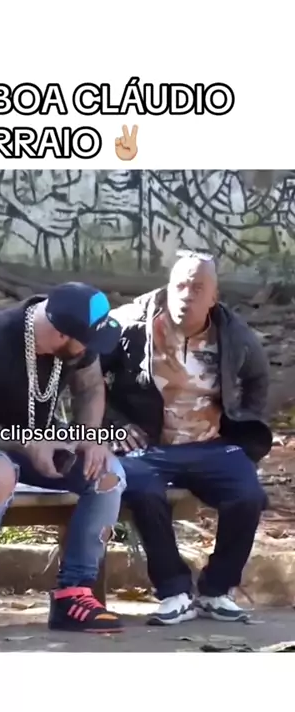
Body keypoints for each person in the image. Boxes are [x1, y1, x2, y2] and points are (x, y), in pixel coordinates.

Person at [0, 282, 127, 641]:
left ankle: (73, 595)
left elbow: (91, 387)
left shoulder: (75, 341)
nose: (91, 350)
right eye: (87, 341)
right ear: (61, 333)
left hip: (40, 435)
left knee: (108, 473)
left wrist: (88, 436)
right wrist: (27, 443)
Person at [101, 251, 272, 625]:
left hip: (211, 443)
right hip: (147, 446)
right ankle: (174, 591)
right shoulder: (129, 324)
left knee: (248, 495)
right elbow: (85, 377)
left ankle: (216, 591)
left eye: (197, 288)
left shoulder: (233, 334)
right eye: (180, 285)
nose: (186, 295)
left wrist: (244, 425)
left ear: (213, 296)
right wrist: (112, 425)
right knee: (144, 491)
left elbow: (258, 379)